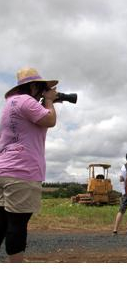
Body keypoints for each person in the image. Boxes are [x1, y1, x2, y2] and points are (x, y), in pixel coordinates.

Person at [0, 67, 59, 262]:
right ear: (33, 86)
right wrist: (49, 101)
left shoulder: (10, 104)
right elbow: (50, 120)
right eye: (42, 88)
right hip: (22, 172)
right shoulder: (26, 101)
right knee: (18, 225)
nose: (43, 92)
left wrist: (44, 102)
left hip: (4, 169)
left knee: (2, 223)